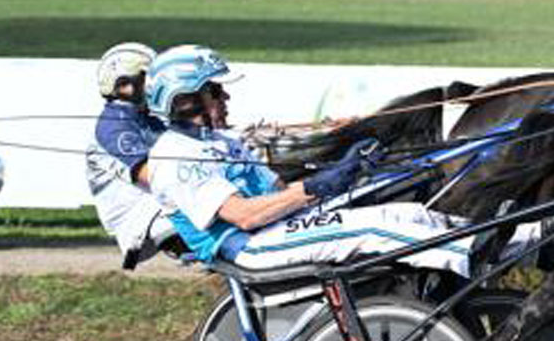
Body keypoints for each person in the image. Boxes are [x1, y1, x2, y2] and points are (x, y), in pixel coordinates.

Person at [143, 44, 474, 279]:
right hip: (250, 247)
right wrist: (316, 186)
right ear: (183, 100)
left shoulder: (222, 140)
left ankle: (515, 240)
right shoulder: (175, 158)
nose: (225, 97)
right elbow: (245, 216)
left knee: (408, 213)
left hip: (278, 229)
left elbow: (278, 191)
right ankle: (472, 259)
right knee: (375, 230)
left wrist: (342, 172)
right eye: (214, 91)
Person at [84, 42, 178, 269]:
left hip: (160, 205)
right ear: (125, 86)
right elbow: (149, 175)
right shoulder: (112, 128)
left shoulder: (147, 120)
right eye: (150, 79)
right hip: (140, 219)